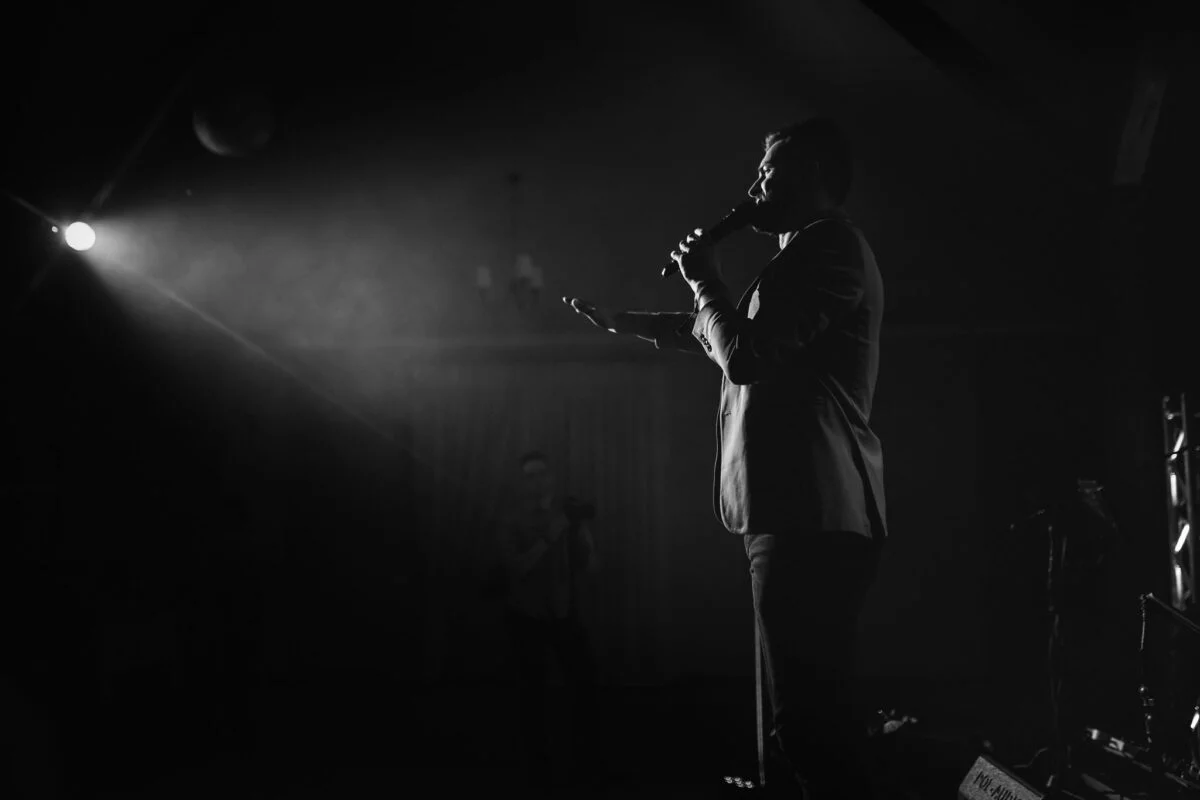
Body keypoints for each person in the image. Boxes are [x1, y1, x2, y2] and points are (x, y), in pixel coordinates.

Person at [562, 117, 886, 799]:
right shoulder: (802, 253)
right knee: (802, 724)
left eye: (770, 170)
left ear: (815, 175)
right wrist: (629, 323)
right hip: (793, 510)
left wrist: (704, 278)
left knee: (809, 727)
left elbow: (744, 355)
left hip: (811, 511)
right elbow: (730, 337)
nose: (754, 185)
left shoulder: (831, 248)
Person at [496, 450, 602, 790]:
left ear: (552, 476)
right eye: (530, 475)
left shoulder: (567, 514)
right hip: (526, 617)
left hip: (563, 613)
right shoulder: (511, 519)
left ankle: (585, 764)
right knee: (531, 698)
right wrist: (550, 535)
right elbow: (517, 568)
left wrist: (580, 535)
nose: (538, 481)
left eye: (542, 473)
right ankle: (536, 771)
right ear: (521, 482)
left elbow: (590, 568)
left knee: (585, 688)